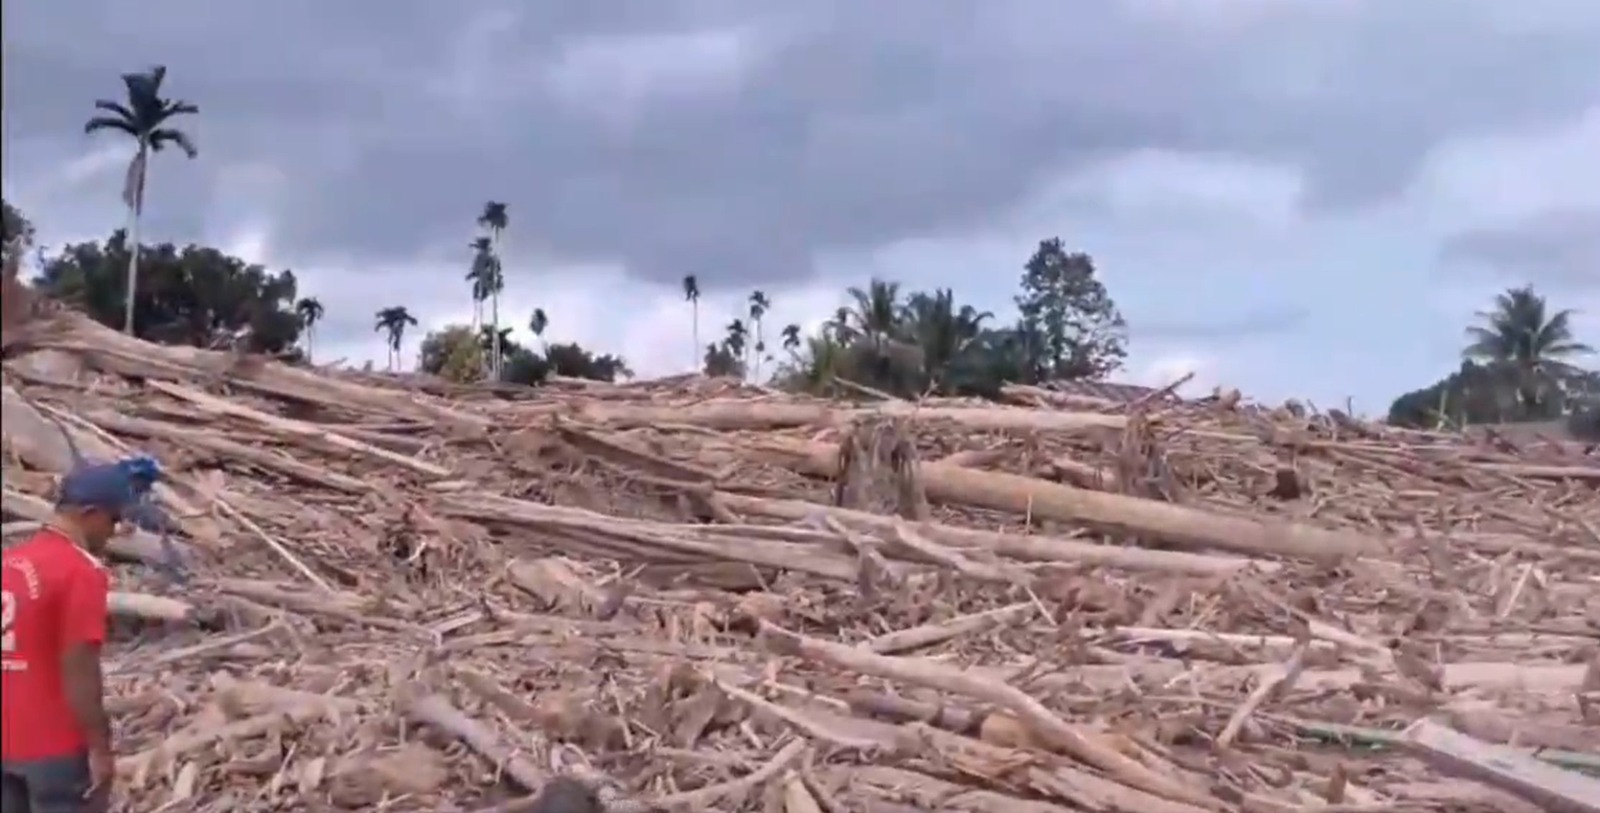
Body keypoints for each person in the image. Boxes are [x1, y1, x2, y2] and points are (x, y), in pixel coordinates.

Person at [2, 456, 160, 813]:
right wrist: (99, 747)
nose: (115, 531)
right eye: (114, 519)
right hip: (54, 747)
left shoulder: (9, 562)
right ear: (90, 513)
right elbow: (79, 666)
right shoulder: (80, 571)